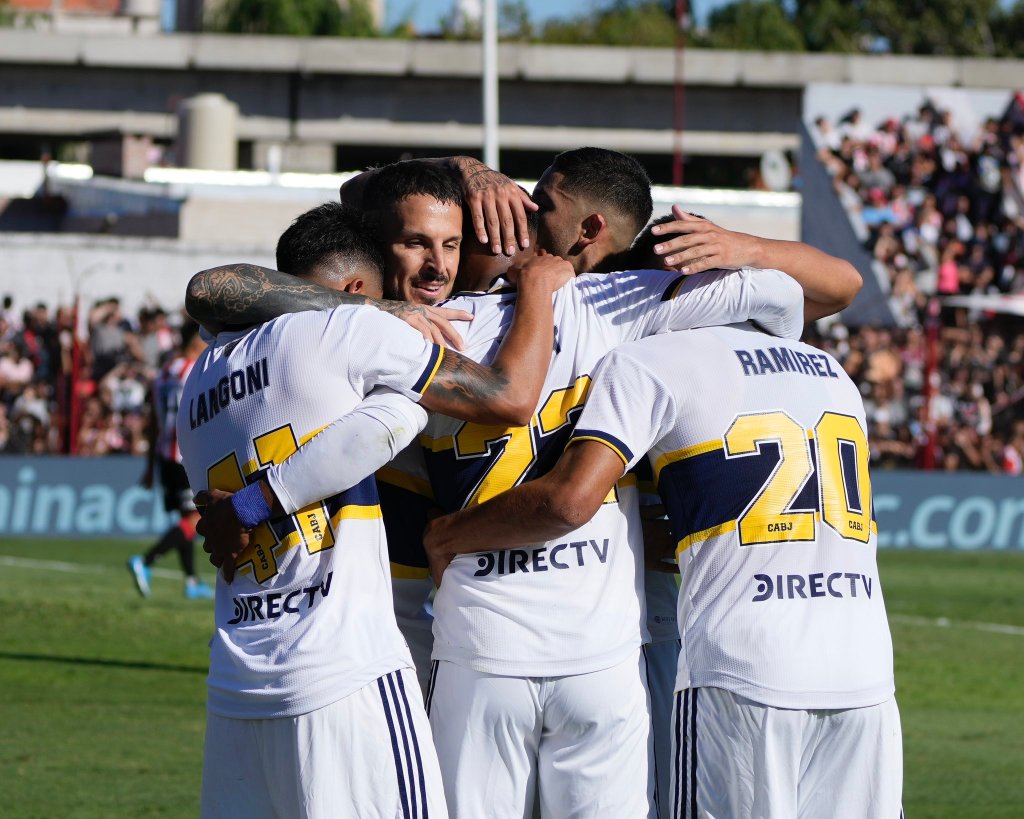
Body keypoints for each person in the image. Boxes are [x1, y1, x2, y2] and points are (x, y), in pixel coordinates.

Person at [179, 203, 574, 819]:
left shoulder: (200, 377)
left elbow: (213, 290)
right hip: (344, 671)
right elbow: (503, 398)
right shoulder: (351, 328)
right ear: (360, 290)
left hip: (238, 684)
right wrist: (537, 289)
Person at [423, 321, 902, 819]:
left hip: (741, 668)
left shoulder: (653, 358)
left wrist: (446, 536)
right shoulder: (832, 371)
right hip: (866, 666)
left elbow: (570, 501)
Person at [128, 319, 214, 600]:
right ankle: (145, 560)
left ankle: (191, 581)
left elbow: (153, 422)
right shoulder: (195, 370)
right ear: (196, 342)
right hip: (185, 456)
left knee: (183, 520)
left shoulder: (163, 373)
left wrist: (150, 466)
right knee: (194, 518)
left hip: (165, 456)